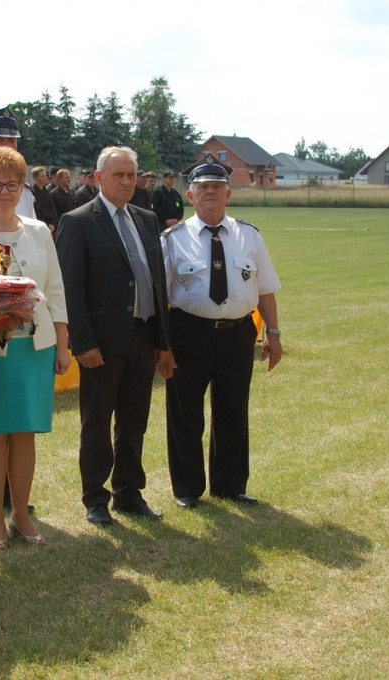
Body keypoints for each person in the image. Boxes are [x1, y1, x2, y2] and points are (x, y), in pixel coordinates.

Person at [55, 146, 172, 526]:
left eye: (131, 175)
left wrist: (162, 342)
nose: (126, 181)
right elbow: (70, 288)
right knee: (97, 420)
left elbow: (158, 283)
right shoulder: (78, 221)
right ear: (99, 177)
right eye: (118, 175)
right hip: (101, 343)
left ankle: (128, 491)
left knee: (135, 418)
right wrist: (83, 343)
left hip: (141, 333)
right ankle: (95, 497)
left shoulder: (147, 219)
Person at [0, 147, 70, 549]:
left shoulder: (41, 232)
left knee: (25, 433)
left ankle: (21, 513)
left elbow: (56, 291)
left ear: (22, 187)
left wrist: (62, 344)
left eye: (12, 184)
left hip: (36, 347)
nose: (4, 192)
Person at [161, 157, 282, 508]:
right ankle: (187, 489)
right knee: (185, 413)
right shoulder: (172, 239)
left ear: (228, 193)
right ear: (190, 195)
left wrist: (272, 334)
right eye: (202, 188)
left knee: (232, 410)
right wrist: (162, 346)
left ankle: (230, 485)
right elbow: (160, 298)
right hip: (187, 333)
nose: (210, 192)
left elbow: (265, 289)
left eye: (216, 187)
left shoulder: (250, 235)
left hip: (237, 334)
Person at [31, 165, 58, 234]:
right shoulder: (32, 193)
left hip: (52, 227)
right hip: (40, 228)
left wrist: (54, 224)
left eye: (45, 175)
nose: (45, 178)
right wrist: (46, 225)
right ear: (35, 178)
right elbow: (37, 211)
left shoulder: (47, 192)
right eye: (42, 176)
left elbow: (52, 209)